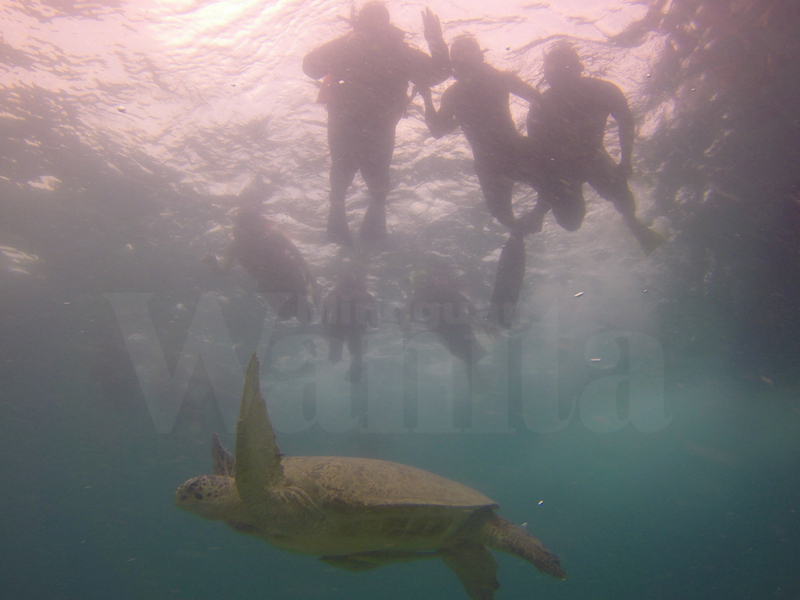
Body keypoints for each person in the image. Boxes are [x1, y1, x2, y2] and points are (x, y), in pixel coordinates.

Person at [418, 35, 543, 326]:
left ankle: (533, 217)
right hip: (490, 164)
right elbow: (438, 130)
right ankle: (518, 240)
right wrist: (425, 95)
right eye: (457, 57)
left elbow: (539, 100)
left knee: (553, 195)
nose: (461, 62)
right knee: (506, 219)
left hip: (515, 152)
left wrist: (540, 139)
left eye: (466, 54)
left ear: (479, 56)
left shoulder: (499, 78)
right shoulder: (454, 93)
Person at [303, 2, 450, 246]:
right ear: (359, 23)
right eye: (368, 21)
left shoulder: (399, 52)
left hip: (375, 123)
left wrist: (436, 40)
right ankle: (340, 207)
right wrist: (343, 45)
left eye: (378, 21)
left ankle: (370, 208)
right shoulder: (348, 45)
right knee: (344, 168)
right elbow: (309, 67)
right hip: (349, 119)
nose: (373, 27)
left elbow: (438, 74)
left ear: (387, 24)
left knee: (374, 174)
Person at [523, 42, 665, 254]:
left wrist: (626, 161)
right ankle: (541, 209)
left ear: (577, 68)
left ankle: (636, 227)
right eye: (555, 71)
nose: (560, 78)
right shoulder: (543, 104)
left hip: (593, 157)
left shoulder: (602, 90)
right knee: (571, 223)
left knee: (622, 196)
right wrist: (545, 197)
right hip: (560, 168)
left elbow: (626, 120)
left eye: (564, 69)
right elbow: (536, 154)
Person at [202, 205, 316, 322]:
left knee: (305, 317)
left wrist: (309, 274)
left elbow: (296, 253)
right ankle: (302, 298)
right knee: (284, 315)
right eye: (250, 225)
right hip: (267, 281)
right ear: (242, 227)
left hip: (289, 274)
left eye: (256, 223)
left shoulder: (275, 235)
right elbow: (222, 271)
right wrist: (213, 264)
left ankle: (305, 296)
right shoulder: (235, 246)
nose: (255, 228)